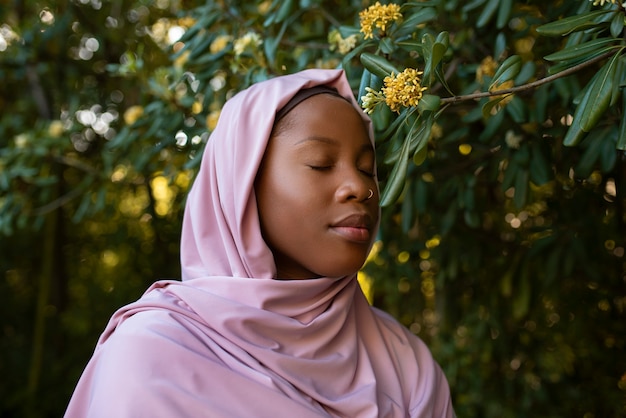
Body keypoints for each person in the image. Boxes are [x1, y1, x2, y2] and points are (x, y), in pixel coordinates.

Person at [65, 68, 455, 417]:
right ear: (244, 185)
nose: (360, 187)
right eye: (320, 163)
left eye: (367, 169)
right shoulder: (153, 354)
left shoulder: (405, 361)